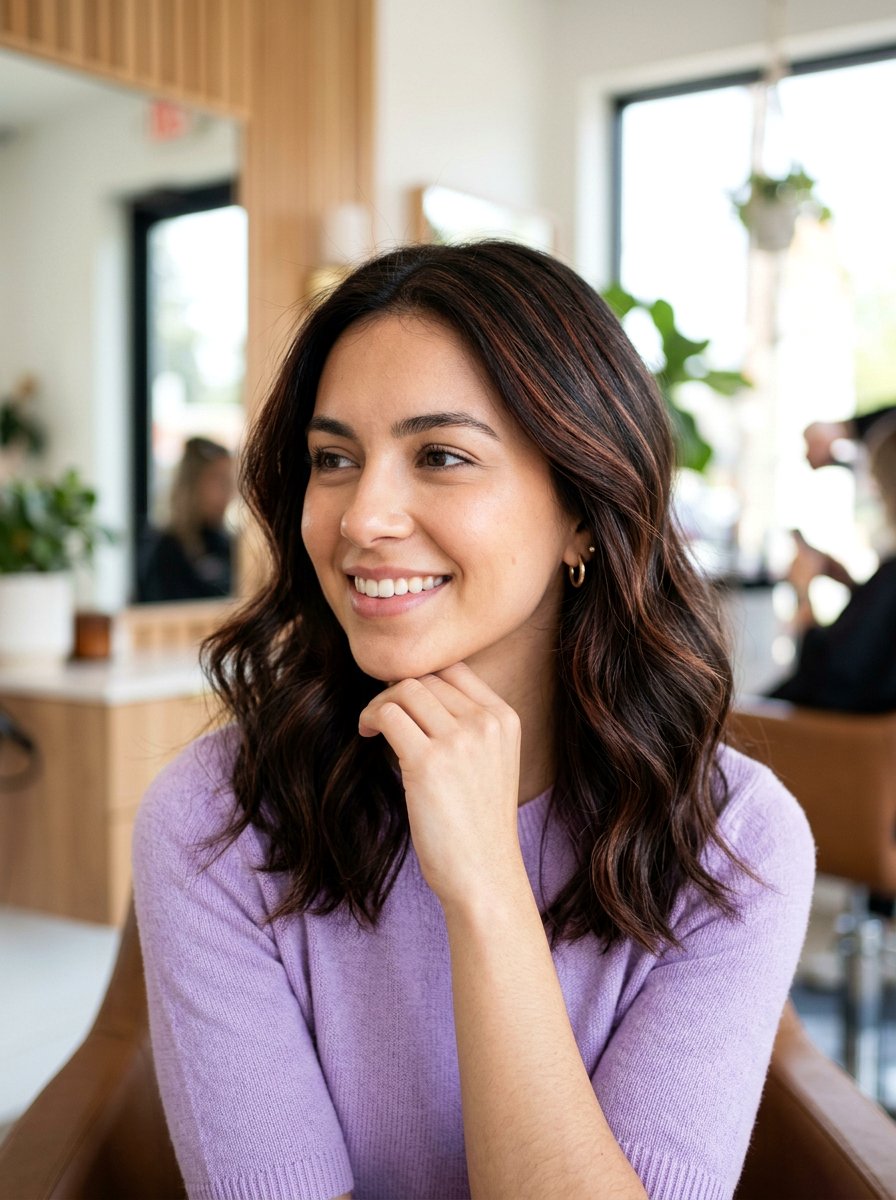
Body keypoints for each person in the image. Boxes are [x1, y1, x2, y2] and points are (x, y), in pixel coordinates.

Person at [132, 242, 814, 1200]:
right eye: (334, 459)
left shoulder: (736, 840)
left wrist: (487, 890)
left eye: (442, 456)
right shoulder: (216, 819)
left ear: (585, 504)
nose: (363, 516)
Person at [770, 416, 896, 712]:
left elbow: (824, 679)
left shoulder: (892, 576)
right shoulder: (888, 580)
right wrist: (851, 584)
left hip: (826, 741)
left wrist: (803, 594)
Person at [137, 436, 235, 602]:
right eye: (220, 481)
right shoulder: (165, 551)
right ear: (192, 484)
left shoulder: (229, 545)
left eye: (229, 482)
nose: (228, 493)